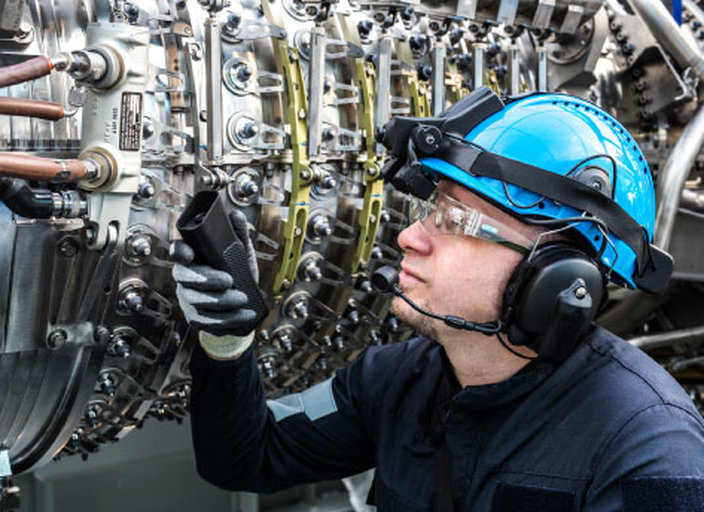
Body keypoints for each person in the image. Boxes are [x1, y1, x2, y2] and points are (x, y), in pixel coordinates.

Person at [174, 88, 704, 511]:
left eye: (454, 221)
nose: (412, 238)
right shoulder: (394, 380)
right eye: (431, 211)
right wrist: (226, 341)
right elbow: (248, 458)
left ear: (558, 277)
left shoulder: (649, 450)